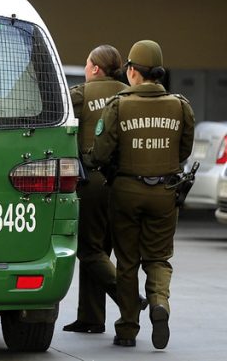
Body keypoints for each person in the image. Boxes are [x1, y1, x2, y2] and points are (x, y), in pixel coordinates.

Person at [90, 40, 194, 349]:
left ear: (132, 71)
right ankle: (160, 301)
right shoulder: (180, 105)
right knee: (159, 257)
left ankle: (127, 328)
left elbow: (101, 152)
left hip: (126, 191)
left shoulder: (119, 105)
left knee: (127, 262)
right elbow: (184, 150)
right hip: (165, 191)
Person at [63, 45, 129, 334]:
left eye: (88, 63)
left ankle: (128, 300)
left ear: (95, 69)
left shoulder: (82, 94)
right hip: (124, 184)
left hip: (93, 181)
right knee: (103, 250)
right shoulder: (130, 94)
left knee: (89, 248)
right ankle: (90, 317)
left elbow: (57, 115)